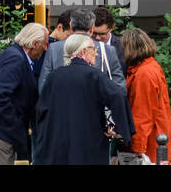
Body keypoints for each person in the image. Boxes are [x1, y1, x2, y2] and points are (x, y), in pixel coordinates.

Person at [33, 33, 133, 165]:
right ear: (84, 51)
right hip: (88, 141)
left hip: (57, 142)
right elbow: (117, 96)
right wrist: (119, 128)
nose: (96, 53)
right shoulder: (94, 75)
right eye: (94, 49)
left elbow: (41, 110)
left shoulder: (54, 76)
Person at [0, 22, 48, 165]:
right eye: (44, 44)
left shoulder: (17, 56)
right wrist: (15, 125)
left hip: (0, 129)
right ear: (34, 43)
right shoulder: (16, 59)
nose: (46, 48)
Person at [38, 7, 123, 94]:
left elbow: (43, 87)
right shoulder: (108, 50)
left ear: (71, 25)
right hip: (95, 106)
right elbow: (120, 88)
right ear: (92, 28)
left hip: (61, 105)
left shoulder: (54, 49)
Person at [122, 27, 171, 164]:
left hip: (149, 142)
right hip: (156, 135)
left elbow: (142, 114)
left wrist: (138, 147)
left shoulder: (143, 73)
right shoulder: (151, 66)